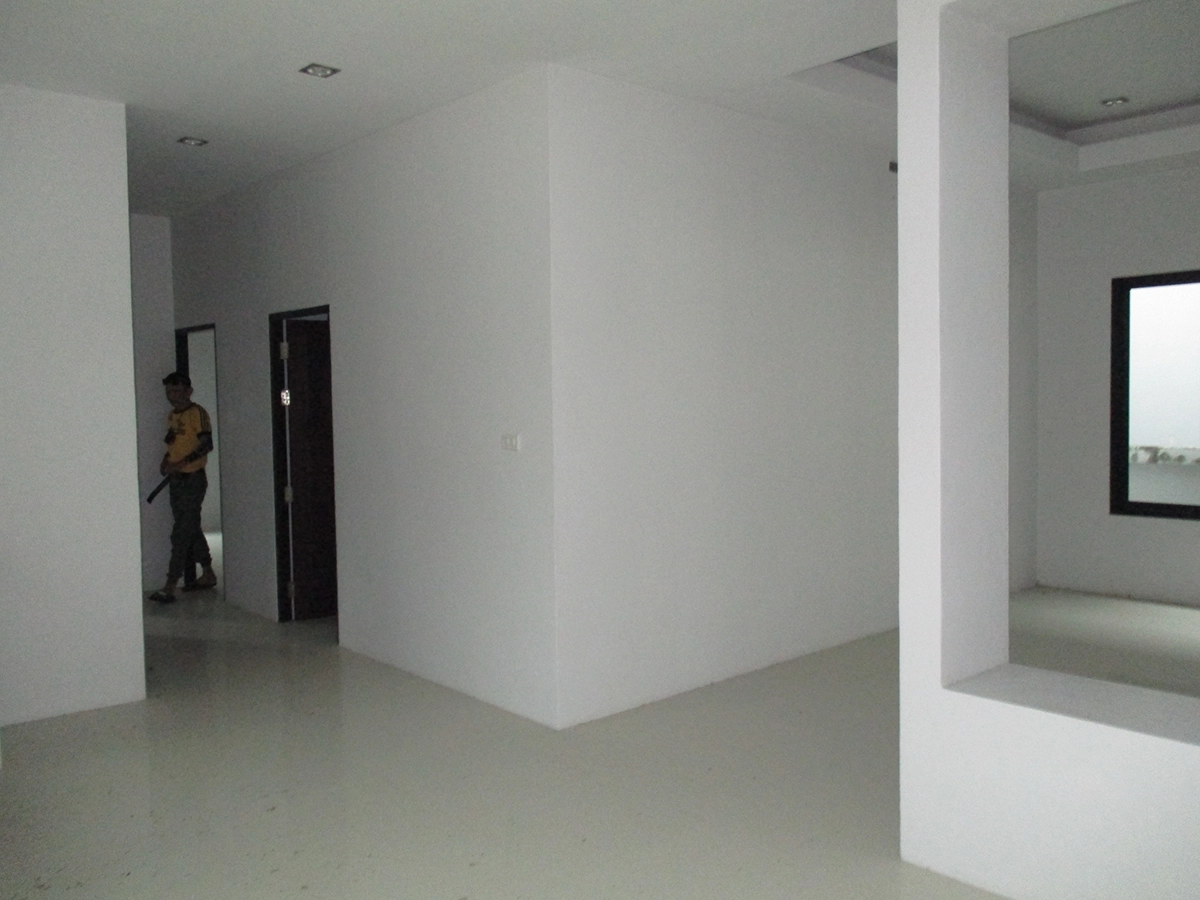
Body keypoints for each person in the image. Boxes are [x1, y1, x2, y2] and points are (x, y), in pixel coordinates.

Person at [149, 372, 217, 602]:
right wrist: (166, 462)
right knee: (191, 526)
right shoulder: (172, 416)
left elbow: (206, 445)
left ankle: (170, 584)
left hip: (193, 480)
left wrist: (182, 464)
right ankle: (208, 572)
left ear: (189, 391)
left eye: (177, 391)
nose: (173, 396)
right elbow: (174, 445)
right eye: (169, 391)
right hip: (176, 482)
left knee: (181, 533)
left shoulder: (198, 413)